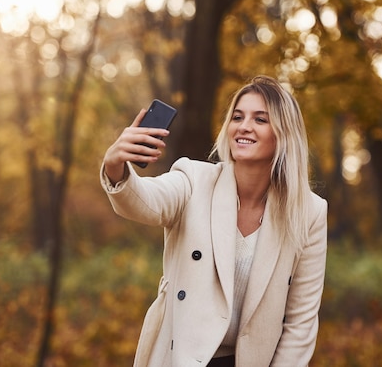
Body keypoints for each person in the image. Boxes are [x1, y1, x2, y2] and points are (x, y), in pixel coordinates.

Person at [100, 75, 328, 367]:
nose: (244, 126)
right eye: (237, 116)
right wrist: (115, 165)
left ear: (284, 134)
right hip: (179, 357)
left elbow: (300, 323)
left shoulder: (309, 212)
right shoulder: (194, 180)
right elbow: (145, 201)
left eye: (260, 119)